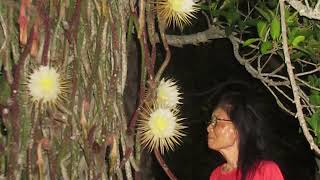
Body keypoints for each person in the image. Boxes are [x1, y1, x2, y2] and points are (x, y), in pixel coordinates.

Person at [207, 89, 284, 180]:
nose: (208, 128)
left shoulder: (265, 171)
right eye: (211, 121)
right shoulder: (216, 175)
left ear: (237, 128)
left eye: (216, 121)